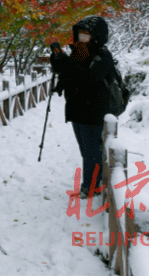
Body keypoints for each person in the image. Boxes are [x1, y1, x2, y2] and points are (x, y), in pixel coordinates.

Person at [49, 15, 117, 199]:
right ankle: (91, 185)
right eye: (80, 33)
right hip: (78, 108)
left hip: (93, 110)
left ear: (97, 36)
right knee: (85, 150)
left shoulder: (102, 55)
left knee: (92, 150)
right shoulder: (78, 53)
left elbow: (89, 78)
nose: (82, 37)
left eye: (86, 33)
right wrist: (57, 59)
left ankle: (91, 187)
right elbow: (67, 72)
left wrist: (67, 62)